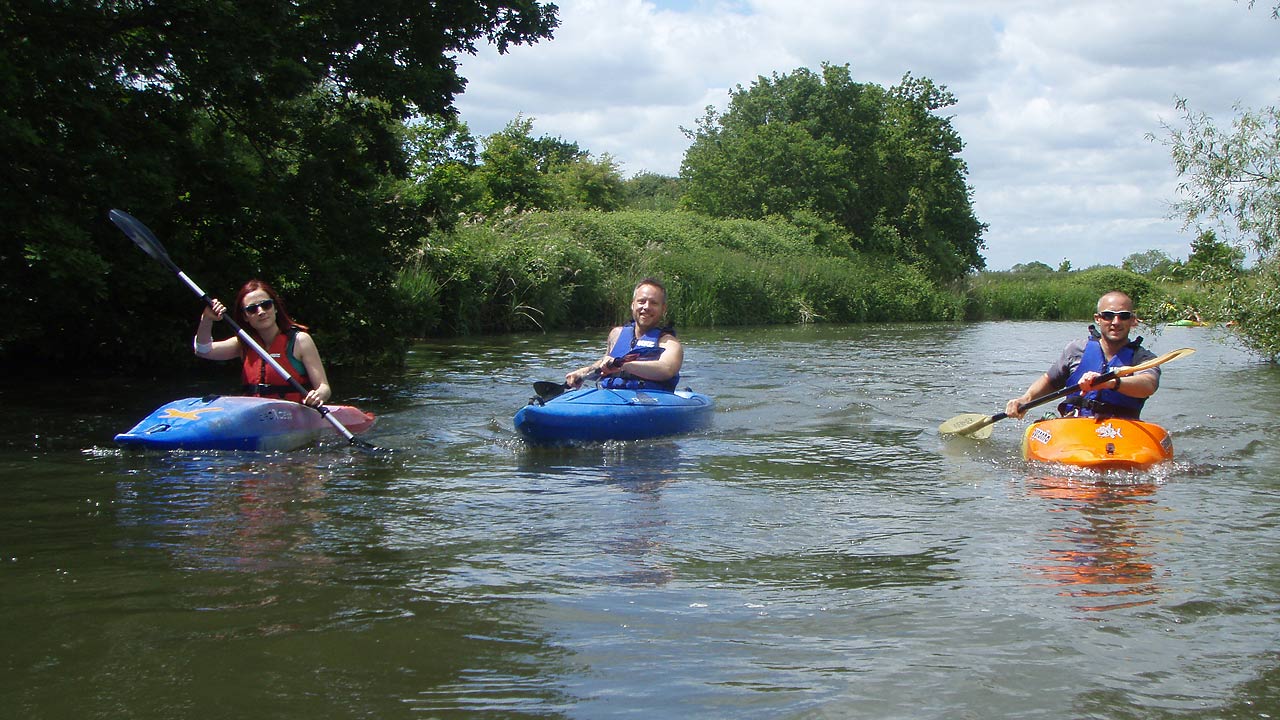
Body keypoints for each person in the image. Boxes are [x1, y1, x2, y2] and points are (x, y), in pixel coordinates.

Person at [1005, 291, 1159, 420]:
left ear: (1132, 321)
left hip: (1122, 431)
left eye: (1123, 316)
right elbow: (1050, 380)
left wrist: (1110, 382)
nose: (1116, 322)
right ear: (1097, 319)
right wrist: (1026, 399)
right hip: (1075, 426)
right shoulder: (1076, 350)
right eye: (1108, 315)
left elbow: (1148, 384)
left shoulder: (1143, 358)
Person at [193, 279, 332, 408]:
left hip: (292, 414)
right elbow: (203, 350)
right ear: (245, 317)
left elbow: (324, 387)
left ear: (275, 308)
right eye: (252, 309)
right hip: (256, 416)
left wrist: (317, 395)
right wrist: (206, 319)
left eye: (266, 305)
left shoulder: (300, 341)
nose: (261, 312)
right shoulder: (244, 344)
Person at [565, 278, 685, 392]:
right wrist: (583, 373)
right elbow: (606, 363)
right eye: (641, 301)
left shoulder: (670, 343)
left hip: (652, 400)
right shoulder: (616, 334)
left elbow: (666, 369)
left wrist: (624, 365)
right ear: (633, 305)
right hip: (613, 396)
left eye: (653, 303)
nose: (646, 307)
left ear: (663, 309)